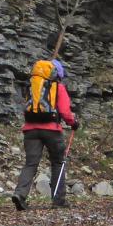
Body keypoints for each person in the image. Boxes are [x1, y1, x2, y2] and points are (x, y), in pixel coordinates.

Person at [12, 57, 77, 211]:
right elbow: (65, 111)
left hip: (30, 130)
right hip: (51, 130)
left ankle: (20, 194)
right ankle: (58, 200)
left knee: (31, 164)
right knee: (57, 162)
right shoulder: (57, 87)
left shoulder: (31, 86)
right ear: (57, 74)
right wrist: (73, 123)